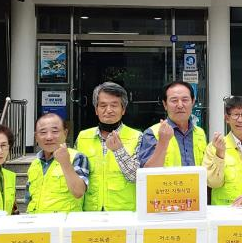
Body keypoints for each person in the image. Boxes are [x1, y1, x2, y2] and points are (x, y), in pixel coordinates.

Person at [75, 82, 141, 211]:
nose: (109, 110)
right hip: (90, 212)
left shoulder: (137, 137)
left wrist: (119, 150)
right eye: (103, 105)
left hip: (124, 213)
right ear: (96, 110)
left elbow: (136, 177)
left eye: (114, 105)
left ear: (123, 110)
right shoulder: (83, 137)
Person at [26, 113, 88, 213]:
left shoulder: (77, 157)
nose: (49, 137)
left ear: (65, 133)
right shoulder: (34, 164)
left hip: (65, 221)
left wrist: (65, 163)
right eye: (43, 132)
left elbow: (79, 192)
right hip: (37, 221)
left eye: (55, 131)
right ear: (36, 137)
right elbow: (29, 199)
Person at [139, 81, 207, 168]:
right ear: (165, 104)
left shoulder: (200, 133)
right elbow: (147, 172)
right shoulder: (152, 133)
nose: (180, 105)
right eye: (174, 100)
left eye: (185, 100)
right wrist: (162, 143)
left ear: (193, 102)